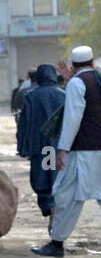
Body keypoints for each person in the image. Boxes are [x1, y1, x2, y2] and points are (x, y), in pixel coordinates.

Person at [31, 46, 101, 258]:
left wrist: (62, 149)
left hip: (82, 151)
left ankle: (57, 243)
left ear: (74, 65)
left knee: (65, 196)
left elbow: (72, 118)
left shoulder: (78, 83)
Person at [16, 64, 64, 221]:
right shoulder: (63, 95)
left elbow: (24, 124)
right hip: (59, 145)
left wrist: (22, 146)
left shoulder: (31, 96)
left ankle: (48, 205)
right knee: (58, 176)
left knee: (41, 177)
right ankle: (57, 205)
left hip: (40, 145)